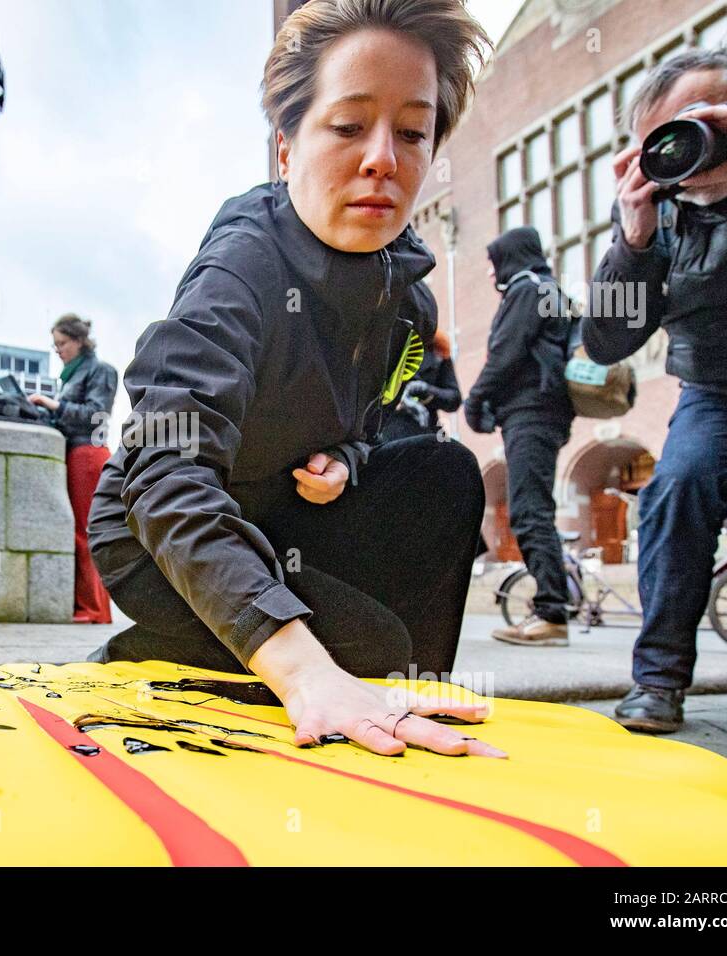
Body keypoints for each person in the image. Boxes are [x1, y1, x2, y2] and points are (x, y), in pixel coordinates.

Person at [87, 0, 504, 759]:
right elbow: (163, 477)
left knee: (445, 471)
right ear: (286, 149)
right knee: (368, 644)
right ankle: (158, 658)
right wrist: (307, 671)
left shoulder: (409, 302)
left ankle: (406, 706)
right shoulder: (241, 270)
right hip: (156, 536)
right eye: (348, 127)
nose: (383, 158)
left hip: (287, 517)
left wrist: (346, 457)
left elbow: (370, 423)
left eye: (411, 133)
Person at [583, 46, 727, 733]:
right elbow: (606, 342)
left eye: (704, 122)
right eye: (664, 138)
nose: (690, 149)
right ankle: (659, 680)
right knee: (677, 487)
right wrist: (633, 240)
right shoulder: (661, 216)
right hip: (717, 391)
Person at [464, 226, 575, 648]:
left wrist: (476, 401)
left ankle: (551, 614)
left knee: (530, 511)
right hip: (540, 413)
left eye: (496, 262)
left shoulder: (528, 289)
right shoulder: (549, 289)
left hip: (531, 413)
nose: (494, 273)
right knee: (533, 507)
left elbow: (507, 351)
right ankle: (550, 610)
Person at [27, 314, 119, 623]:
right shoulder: (73, 374)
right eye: (55, 346)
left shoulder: (100, 370)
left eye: (62, 343)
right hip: (76, 452)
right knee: (79, 530)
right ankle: (89, 606)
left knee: (86, 531)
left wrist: (54, 406)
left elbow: (96, 413)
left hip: (88, 453)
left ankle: (93, 608)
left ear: (79, 341)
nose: (58, 350)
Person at [382, 324, 462, 441]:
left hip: (428, 432)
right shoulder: (379, 343)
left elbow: (454, 398)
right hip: (388, 435)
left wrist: (426, 390)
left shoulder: (437, 346)